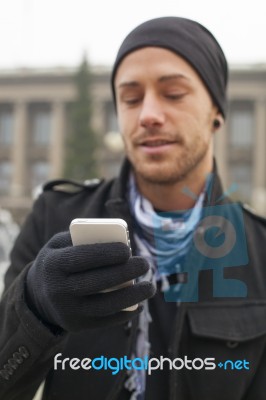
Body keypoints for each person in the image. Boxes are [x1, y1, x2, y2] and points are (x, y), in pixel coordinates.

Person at [1, 16, 266, 400]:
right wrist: (33, 311)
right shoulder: (54, 220)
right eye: (130, 98)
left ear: (217, 112)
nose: (148, 115)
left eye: (173, 94)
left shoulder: (259, 250)